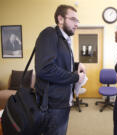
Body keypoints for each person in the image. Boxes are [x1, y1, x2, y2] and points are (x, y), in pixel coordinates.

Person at [35, 5, 85, 135]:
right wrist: (75, 77)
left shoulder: (64, 40)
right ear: (60, 19)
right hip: (52, 106)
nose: (76, 24)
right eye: (73, 19)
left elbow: (61, 63)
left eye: (77, 21)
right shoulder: (49, 34)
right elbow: (45, 68)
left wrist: (77, 65)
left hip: (63, 102)